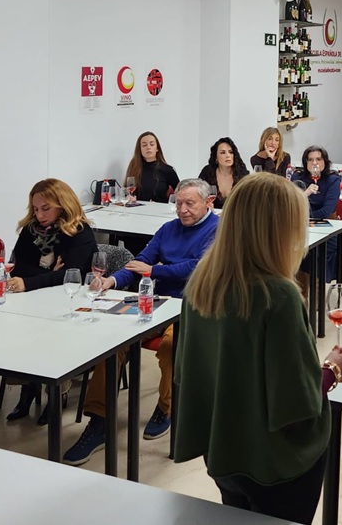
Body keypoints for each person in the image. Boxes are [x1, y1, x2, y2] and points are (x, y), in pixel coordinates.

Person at [173, 172, 342, 523]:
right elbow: (297, 400)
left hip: (224, 451)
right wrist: (332, 370)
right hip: (276, 461)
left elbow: (187, 373)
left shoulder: (200, 285)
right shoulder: (278, 296)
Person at [62, 178, 220, 466]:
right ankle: (99, 421)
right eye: (178, 203)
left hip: (193, 306)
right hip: (156, 301)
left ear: (208, 202)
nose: (182, 210)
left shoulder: (217, 229)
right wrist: (111, 281)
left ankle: (167, 408)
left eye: (189, 204)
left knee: (172, 346)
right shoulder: (168, 229)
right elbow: (139, 263)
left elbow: (199, 267)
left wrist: (154, 271)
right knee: (112, 342)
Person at [5, 178, 98, 423]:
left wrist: (33, 279)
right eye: (36, 209)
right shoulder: (31, 230)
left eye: (46, 208)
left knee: (55, 332)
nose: (40, 215)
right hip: (35, 298)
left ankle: (57, 394)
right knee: (21, 328)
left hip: (70, 301)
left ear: (63, 205)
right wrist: (48, 273)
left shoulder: (79, 231)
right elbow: (18, 268)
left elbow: (72, 276)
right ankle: (29, 387)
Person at [292, 145, 341, 286]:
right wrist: (305, 194)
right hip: (300, 225)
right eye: (310, 160)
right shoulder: (297, 178)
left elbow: (326, 212)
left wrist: (303, 216)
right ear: (305, 162)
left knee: (320, 249)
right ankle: (298, 286)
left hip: (326, 225)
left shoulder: (333, 180)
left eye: (318, 159)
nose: (314, 163)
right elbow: (291, 205)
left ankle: (318, 287)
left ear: (325, 162)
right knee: (292, 247)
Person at [124, 131, 180, 203]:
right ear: (140, 149)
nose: (148, 147)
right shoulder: (134, 167)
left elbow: (181, 193)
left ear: (157, 148)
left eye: (152, 144)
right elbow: (126, 191)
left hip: (160, 209)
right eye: (144, 145)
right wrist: (129, 198)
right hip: (137, 208)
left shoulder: (167, 170)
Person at [199, 137, 248, 209]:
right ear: (216, 157)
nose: (228, 155)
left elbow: (249, 201)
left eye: (231, 152)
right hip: (213, 214)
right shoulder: (207, 172)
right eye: (223, 153)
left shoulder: (243, 174)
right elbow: (198, 195)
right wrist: (205, 205)